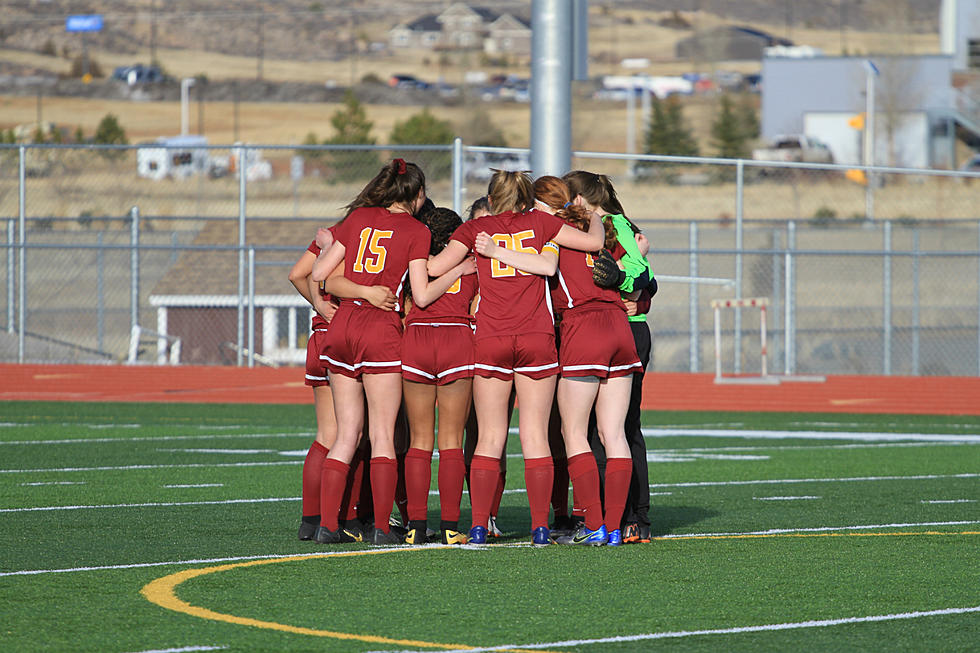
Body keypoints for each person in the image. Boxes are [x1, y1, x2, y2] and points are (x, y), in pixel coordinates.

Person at [427, 170, 604, 546]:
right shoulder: (540, 221)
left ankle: (478, 526)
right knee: (536, 436)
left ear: (490, 200)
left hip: (491, 336)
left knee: (489, 438)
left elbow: (433, 268)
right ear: (526, 200)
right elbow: (590, 244)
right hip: (536, 336)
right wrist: (598, 219)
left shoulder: (477, 230)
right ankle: (540, 528)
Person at [310, 158, 472, 545]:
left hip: (343, 324)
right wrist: (460, 271)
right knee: (383, 433)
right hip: (379, 332)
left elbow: (321, 275)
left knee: (347, 432)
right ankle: (382, 527)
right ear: (417, 195)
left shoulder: (359, 217)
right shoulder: (416, 231)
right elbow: (423, 292)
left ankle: (328, 525)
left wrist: (362, 289)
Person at [532, 175, 641, 546]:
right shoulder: (600, 232)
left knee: (573, 432)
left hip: (584, 328)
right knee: (614, 434)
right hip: (619, 329)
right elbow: (638, 275)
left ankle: (594, 523)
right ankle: (613, 527)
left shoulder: (551, 234)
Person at [563, 170, 656, 544]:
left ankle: (634, 517)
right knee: (597, 431)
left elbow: (643, 275)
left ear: (582, 198)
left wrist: (622, 280)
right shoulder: (585, 225)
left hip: (624, 327)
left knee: (622, 427)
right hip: (607, 326)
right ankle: (602, 516)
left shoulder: (615, 223)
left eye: (569, 197)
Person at [401, 206, 478, 545]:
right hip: (455, 340)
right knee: (451, 442)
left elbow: (403, 304)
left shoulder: (413, 260)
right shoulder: (472, 265)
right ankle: (450, 526)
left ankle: (416, 525)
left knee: (419, 441)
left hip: (416, 339)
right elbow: (478, 308)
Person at [461, 196, 509, 538]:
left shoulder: (504, 265)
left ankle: (490, 514)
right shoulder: (463, 266)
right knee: (469, 437)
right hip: (465, 357)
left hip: (496, 355)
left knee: (495, 437)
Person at [287, 226, 339, 541]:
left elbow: (297, 274)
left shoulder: (332, 233)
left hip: (319, 337)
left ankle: (310, 520)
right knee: (355, 436)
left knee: (327, 434)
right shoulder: (361, 232)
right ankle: (346, 518)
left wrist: (318, 304)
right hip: (348, 340)